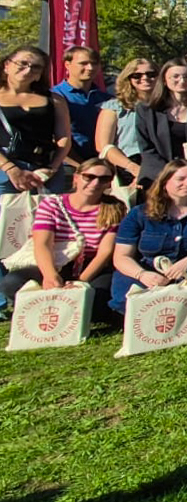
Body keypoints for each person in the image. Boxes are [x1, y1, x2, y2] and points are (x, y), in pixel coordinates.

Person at [0, 158, 124, 320]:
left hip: (90, 266)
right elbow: (42, 244)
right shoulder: (52, 204)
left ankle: (63, 310)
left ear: (109, 183)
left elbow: (105, 252)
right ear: (76, 178)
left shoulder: (114, 208)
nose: (95, 183)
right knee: (12, 282)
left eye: (104, 179)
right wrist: (50, 276)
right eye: (89, 177)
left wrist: (80, 282)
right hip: (55, 262)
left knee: (99, 299)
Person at [109, 159, 187, 313]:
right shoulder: (139, 213)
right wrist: (142, 275)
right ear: (165, 182)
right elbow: (121, 256)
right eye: (181, 179)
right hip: (148, 269)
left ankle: (183, 309)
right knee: (122, 302)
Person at [0, 46, 71, 195]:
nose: (28, 70)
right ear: (7, 65)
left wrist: (53, 167)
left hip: (45, 168)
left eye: (36, 67)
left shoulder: (54, 100)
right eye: (22, 63)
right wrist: (10, 169)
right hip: (5, 169)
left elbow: (64, 137)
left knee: (46, 216)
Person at [95, 58, 156, 200]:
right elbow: (103, 146)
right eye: (137, 75)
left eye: (151, 74)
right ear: (128, 79)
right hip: (126, 167)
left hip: (159, 166)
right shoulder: (114, 107)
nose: (145, 78)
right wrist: (134, 169)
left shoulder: (167, 107)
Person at [51, 46, 107, 164]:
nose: (90, 68)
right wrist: (79, 165)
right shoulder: (55, 97)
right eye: (83, 63)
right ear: (67, 65)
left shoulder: (106, 98)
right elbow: (53, 137)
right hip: (66, 166)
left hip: (102, 167)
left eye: (94, 63)